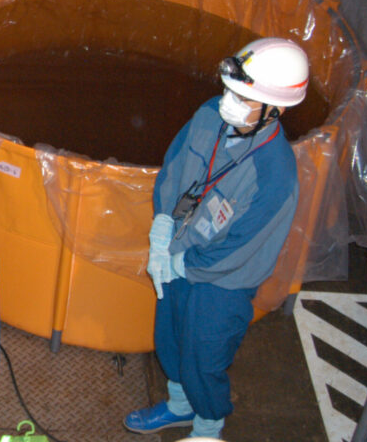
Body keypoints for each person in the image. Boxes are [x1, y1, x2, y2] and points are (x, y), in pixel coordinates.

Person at [124, 38, 308, 440]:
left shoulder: (275, 175)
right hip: (179, 249)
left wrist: (182, 265)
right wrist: (162, 226)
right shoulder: (209, 115)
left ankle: (208, 425)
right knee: (169, 338)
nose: (230, 100)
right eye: (231, 89)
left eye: (245, 96)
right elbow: (175, 168)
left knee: (204, 356)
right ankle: (179, 406)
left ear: (275, 110)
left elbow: (241, 248)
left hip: (222, 283)